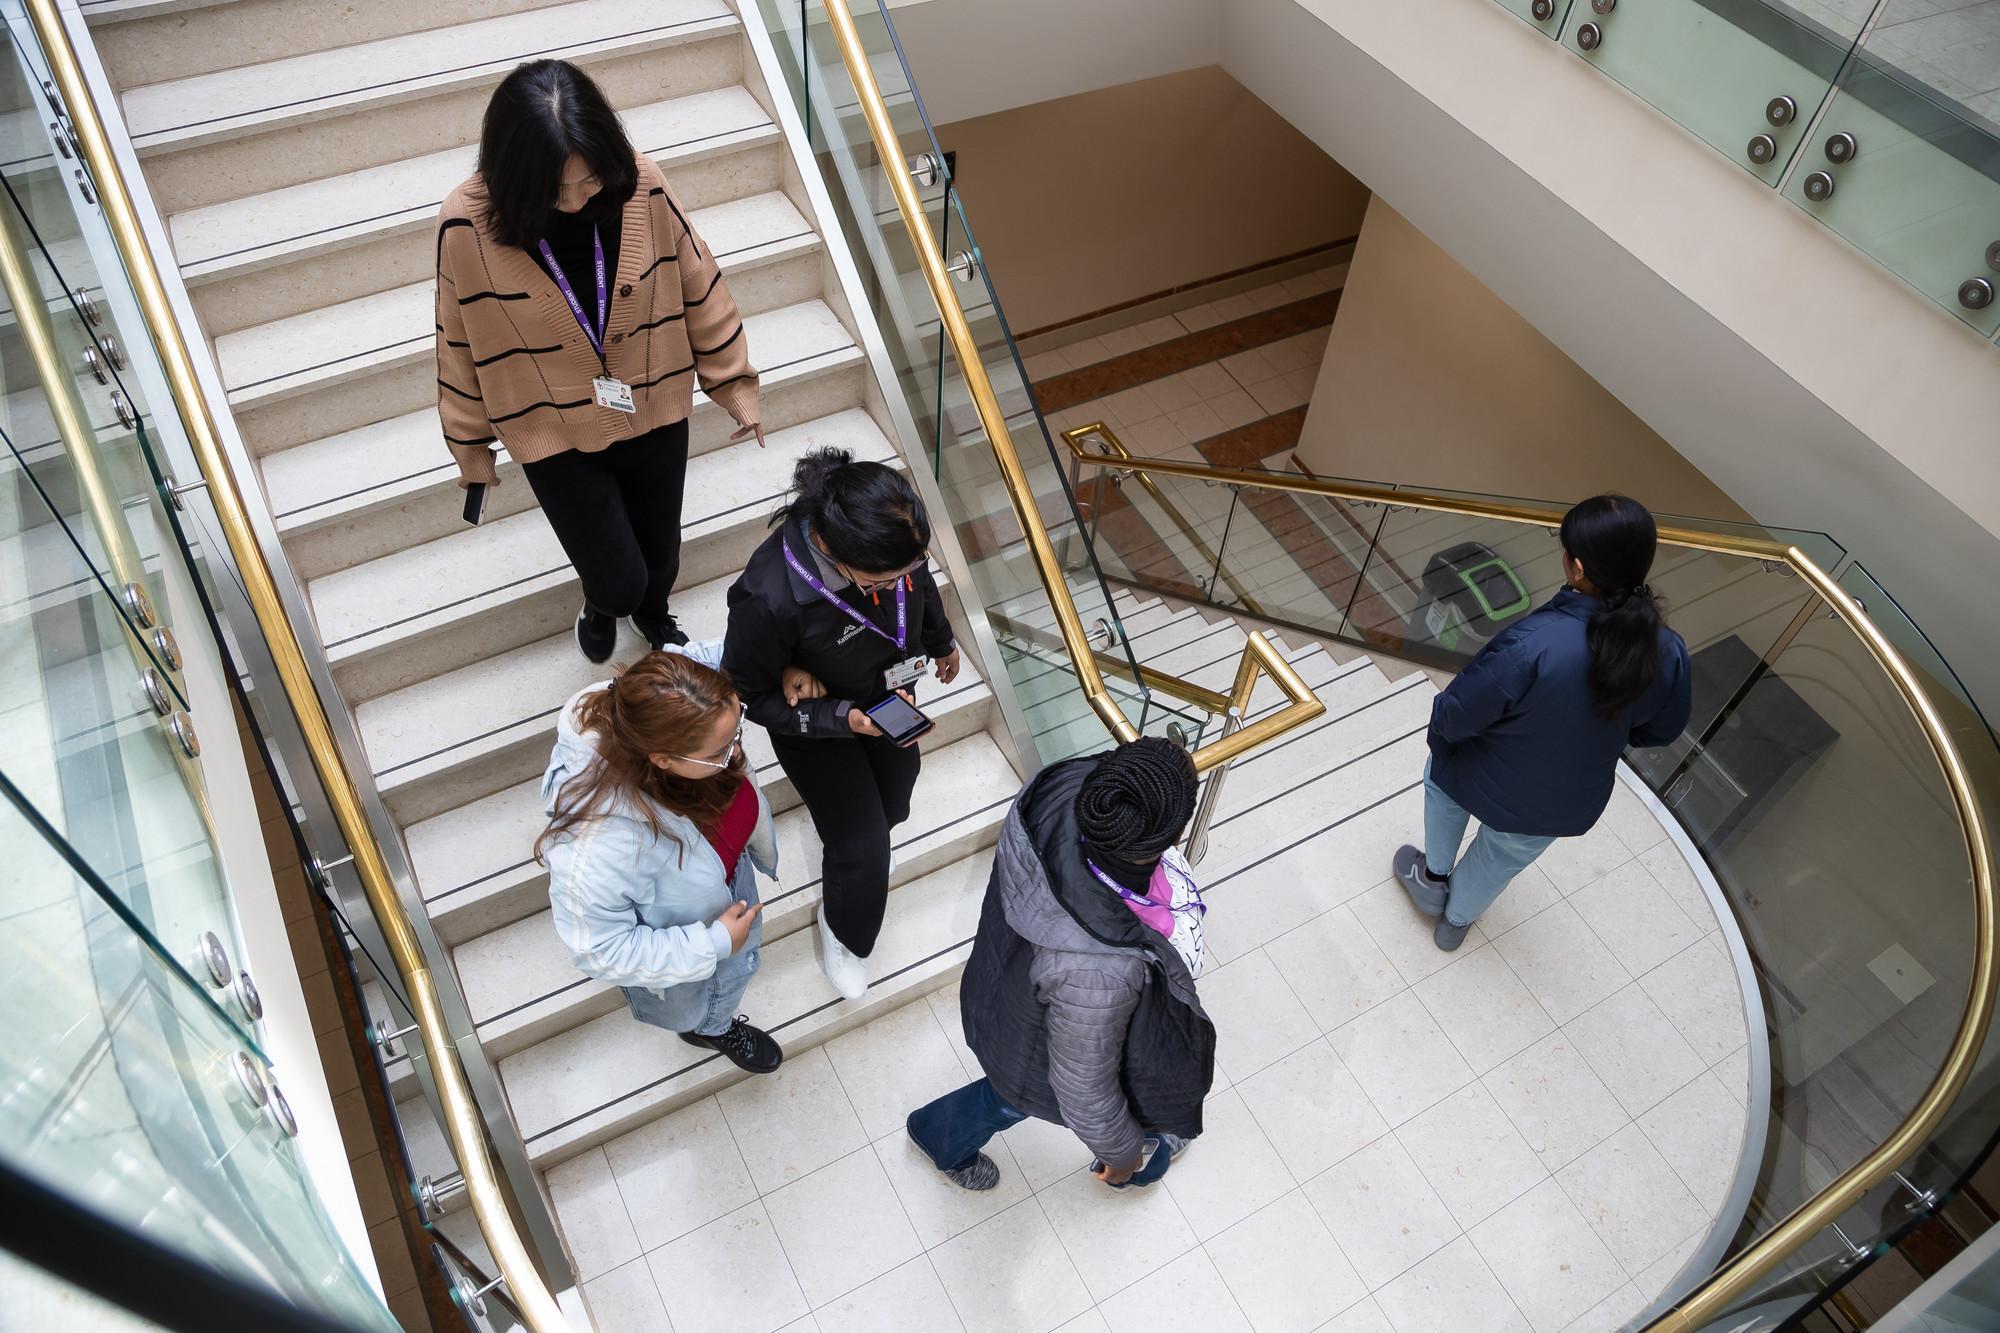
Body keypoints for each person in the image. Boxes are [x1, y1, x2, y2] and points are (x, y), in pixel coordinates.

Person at [435, 59, 765, 663]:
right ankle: (603, 599)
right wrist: (471, 446)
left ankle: (653, 612)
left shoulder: (642, 184)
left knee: (659, 554)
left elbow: (697, 279)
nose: (573, 201)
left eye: (587, 182)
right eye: (552, 189)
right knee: (616, 576)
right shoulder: (467, 221)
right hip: (548, 425)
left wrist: (733, 382)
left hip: (653, 399)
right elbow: (457, 333)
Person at [905, 738, 1216, 1192]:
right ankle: (939, 1136)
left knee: (1017, 1090)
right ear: (1163, 841)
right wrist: (1123, 1156)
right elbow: (1085, 1091)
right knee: (1009, 1100)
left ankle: (1148, 1131)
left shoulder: (1068, 789)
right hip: (1035, 1047)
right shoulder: (1098, 969)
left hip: (1007, 978)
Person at [1396, 494, 1694, 951]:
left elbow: (1461, 710)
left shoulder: (1536, 641)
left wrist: (1441, 736)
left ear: (1576, 568)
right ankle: (1455, 922)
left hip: (1479, 768)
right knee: (1502, 856)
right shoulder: (1668, 651)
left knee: (1442, 788)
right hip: (1562, 800)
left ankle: (1432, 878)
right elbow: (1659, 730)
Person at [722, 448, 960, 1001]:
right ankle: (845, 931)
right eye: (888, 576)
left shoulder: (895, 550)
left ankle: (865, 857)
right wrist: (838, 717)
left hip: (886, 698)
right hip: (816, 724)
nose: (909, 576)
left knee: (896, 799)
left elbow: (919, 587)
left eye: (912, 564)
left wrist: (940, 639)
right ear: (842, 557)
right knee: (860, 844)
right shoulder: (770, 594)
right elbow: (751, 694)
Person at [538, 645, 783, 1073]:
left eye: (737, 730)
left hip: (723, 875)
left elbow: (738, 637)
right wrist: (712, 944)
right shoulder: (599, 849)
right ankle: (710, 1028)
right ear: (663, 759)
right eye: (718, 752)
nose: (736, 754)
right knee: (709, 993)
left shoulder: (669, 701)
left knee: (735, 968)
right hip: (688, 929)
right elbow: (602, 949)